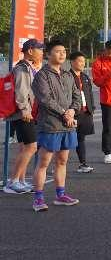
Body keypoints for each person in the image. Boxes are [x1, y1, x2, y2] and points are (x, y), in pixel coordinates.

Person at [30, 39, 82, 212]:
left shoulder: (68, 74)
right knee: (44, 162)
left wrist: (72, 111)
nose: (62, 54)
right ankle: (38, 199)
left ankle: (61, 195)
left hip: (67, 125)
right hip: (50, 125)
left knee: (62, 161)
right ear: (48, 54)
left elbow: (77, 96)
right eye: (58, 51)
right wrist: (64, 113)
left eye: (64, 51)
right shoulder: (42, 75)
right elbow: (45, 100)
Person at [3, 39, 43, 194]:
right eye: (39, 49)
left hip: (26, 113)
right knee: (31, 147)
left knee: (25, 147)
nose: (42, 52)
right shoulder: (22, 69)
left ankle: (20, 180)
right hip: (23, 114)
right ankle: (13, 182)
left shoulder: (29, 67)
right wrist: (25, 110)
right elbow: (21, 91)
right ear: (30, 51)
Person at [69, 52, 96, 174]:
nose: (83, 64)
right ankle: (57, 164)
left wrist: (91, 108)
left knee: (81, 138)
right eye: (80, 61)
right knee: (65, 139)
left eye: (84, 61)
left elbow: (89, 93)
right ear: (72, 62)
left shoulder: (85, 77)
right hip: (72, 113)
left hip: (85, 113)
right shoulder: (67, 76)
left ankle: (83, 164)